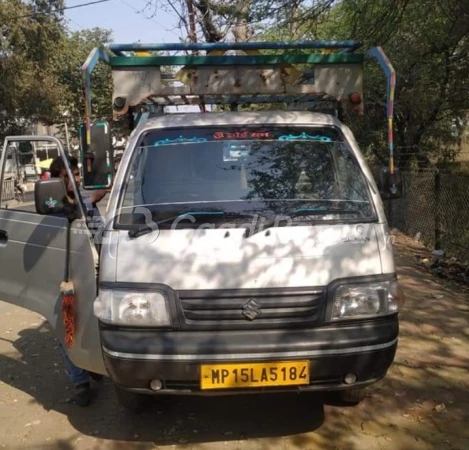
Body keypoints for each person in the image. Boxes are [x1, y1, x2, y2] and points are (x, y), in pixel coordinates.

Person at [49, 155, 108, 406]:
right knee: (67, 328)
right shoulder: (50, 203)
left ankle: (92, 363)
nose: (74, 180)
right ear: (56, 180)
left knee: (95, 323)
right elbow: (57, 215)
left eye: (76, 174)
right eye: (67, 176)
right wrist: (85, 202)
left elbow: (100, 237)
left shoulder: (87, 203)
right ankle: (79, 381)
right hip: (63, 276)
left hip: (90, 272)